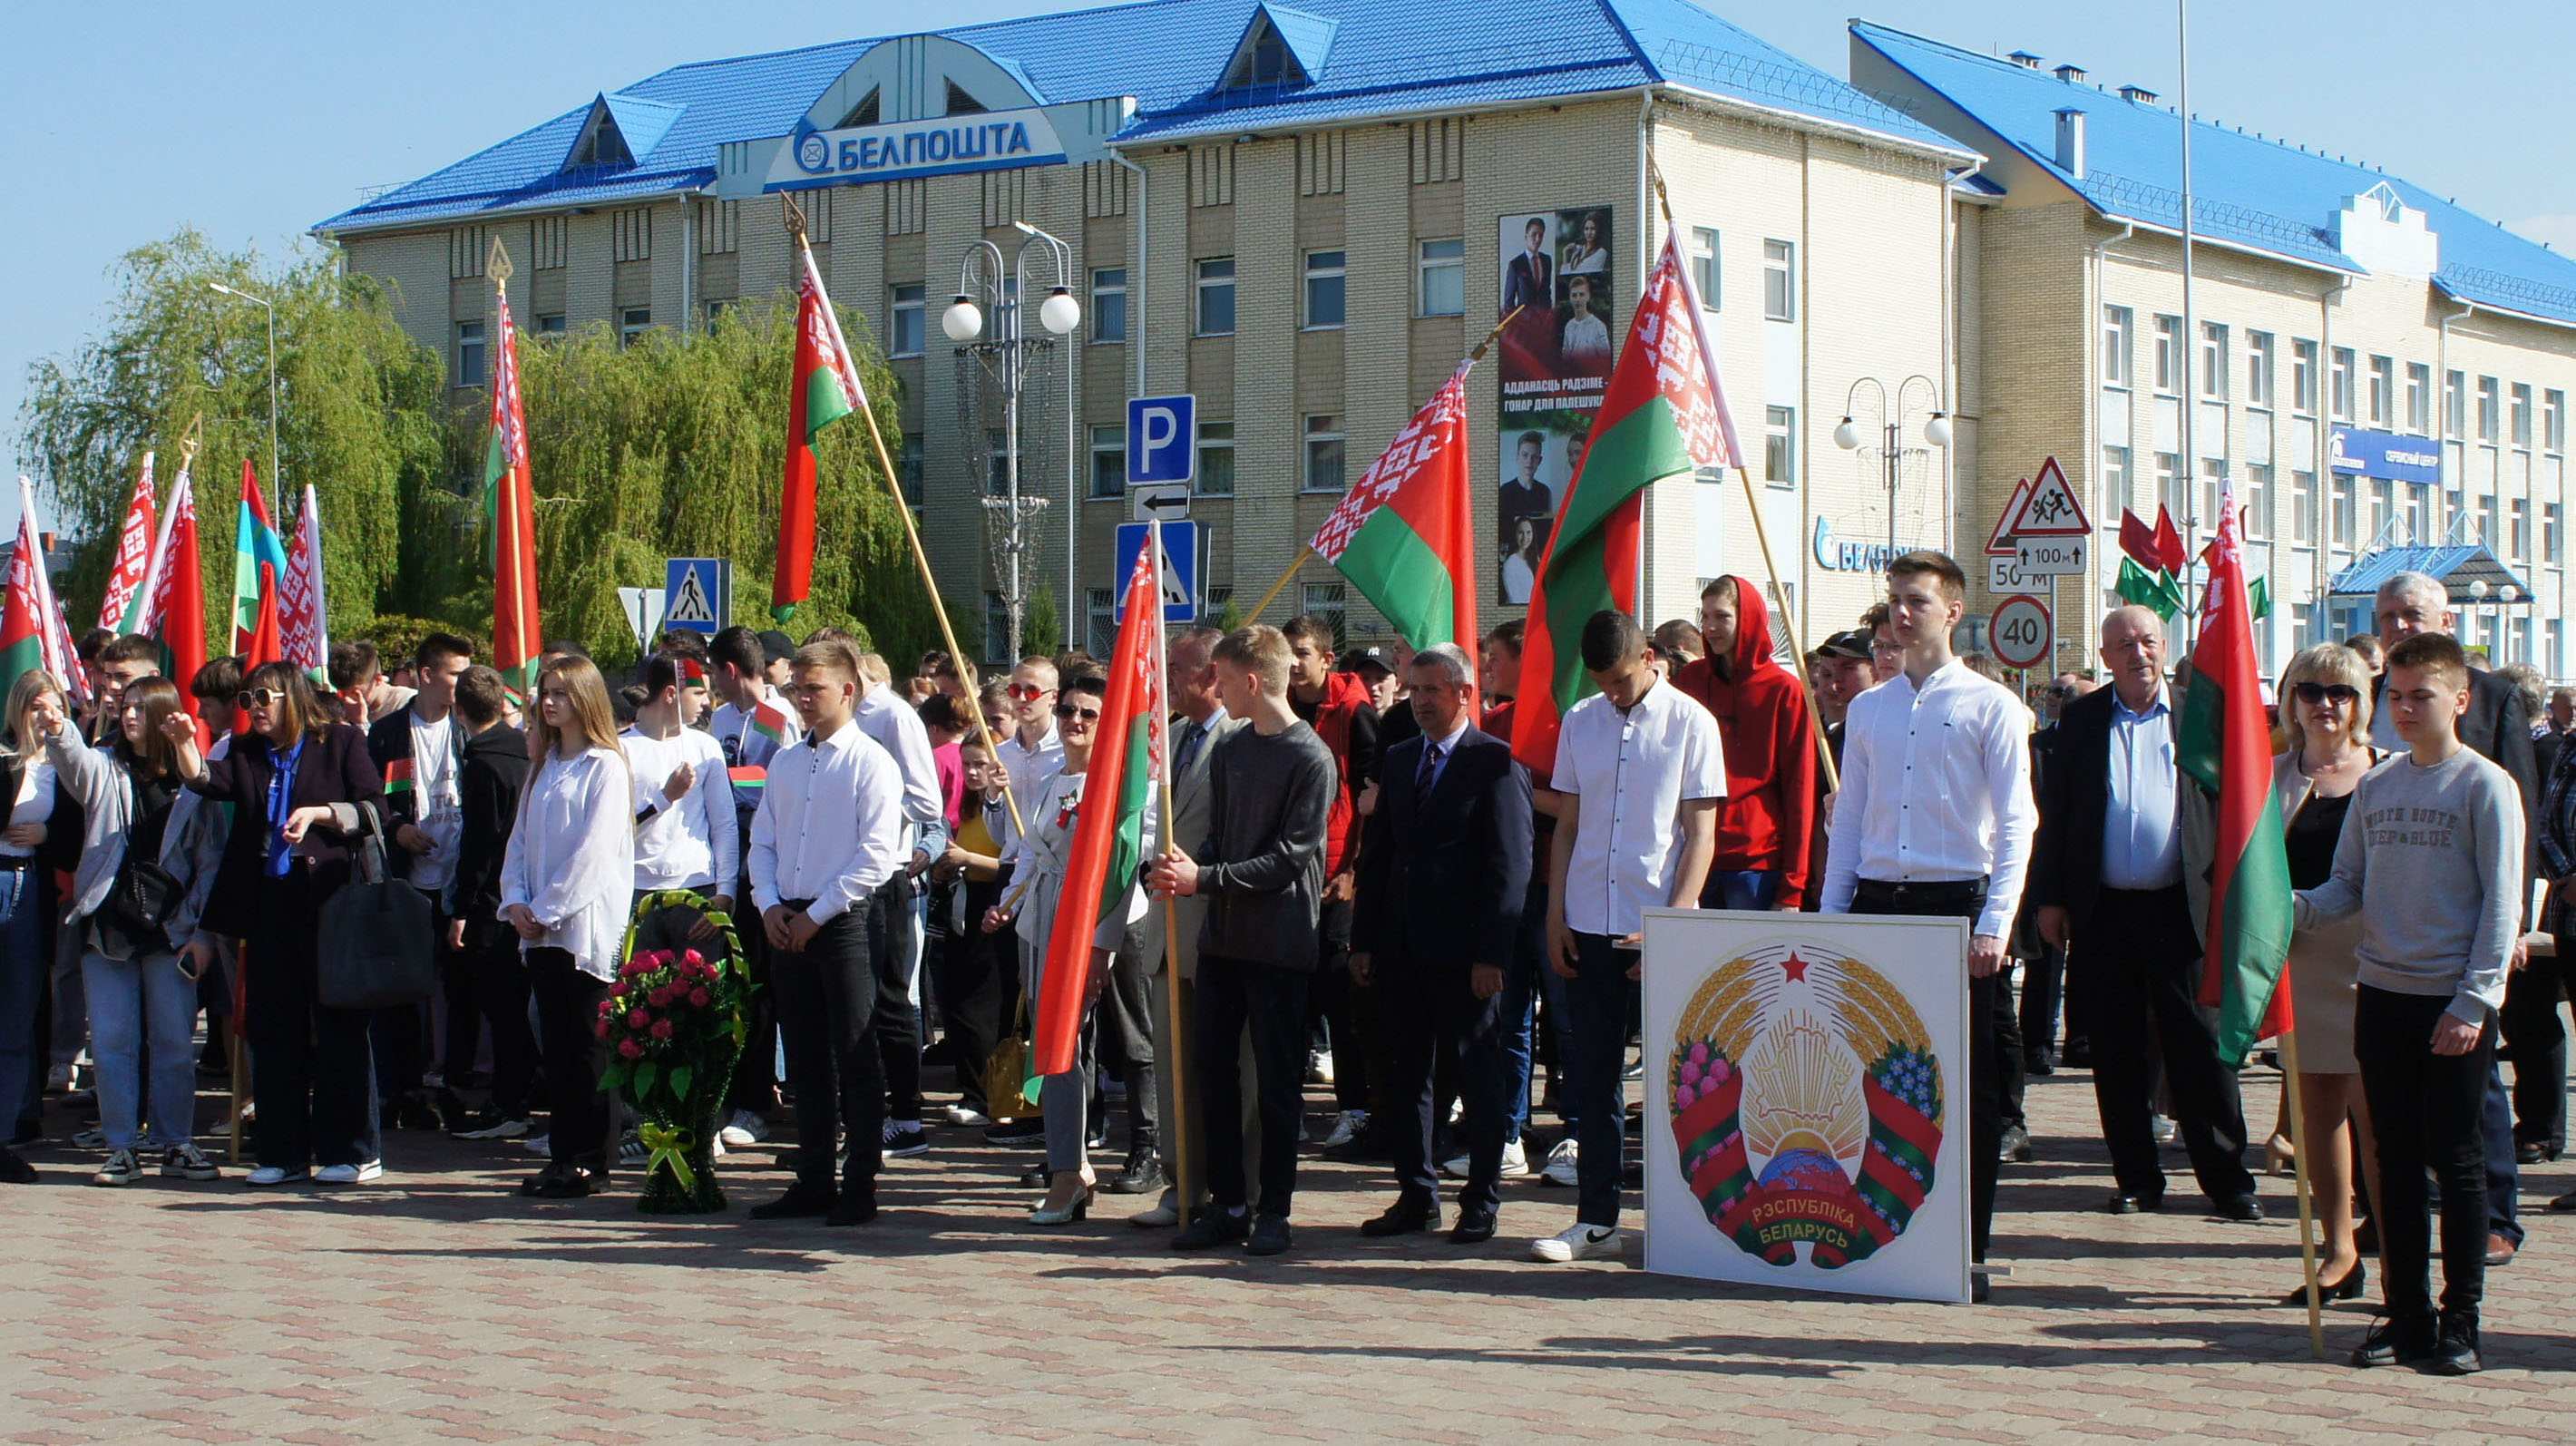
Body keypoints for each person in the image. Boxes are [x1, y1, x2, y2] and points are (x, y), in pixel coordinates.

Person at [2296, 631, 2518, 1376]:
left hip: (2450, 1005)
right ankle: (2407, 1311)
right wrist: (2283, 908)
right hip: (2380, 996)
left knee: (2456, 1166)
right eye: (2395, 694)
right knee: (2389, 1161)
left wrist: (2475, 1000)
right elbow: (2346, 886)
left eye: (2421, 695)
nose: (2405, 708)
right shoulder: (2377, 789)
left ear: (2459, 700)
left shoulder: (2484, 786)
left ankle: (2462, 1317)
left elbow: (2500, 906)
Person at [1821, 552, 2036, 1301]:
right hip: (1881, 904)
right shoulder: (1870, 711)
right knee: (1876, 1078)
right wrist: (1833, 917)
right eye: (1893, 602)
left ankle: (1963, 1247)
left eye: (1916, 601)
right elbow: (1848, 821)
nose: (1900, 615)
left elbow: (2016, 823)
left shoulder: (1992, 706)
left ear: (1951, 611)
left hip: (1956, 908)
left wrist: (1995, 924)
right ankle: (1879, 1230)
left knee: (1964, 1084)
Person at [2032, 606, 2259, 1220]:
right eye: (2125, 644)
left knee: (2201, 1049)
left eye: (2149, 641)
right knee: (2116, 1050)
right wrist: (2050, 897)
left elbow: (2234, 806)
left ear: (2165, 647)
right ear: (2105, 657)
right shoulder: (2080, 721)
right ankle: (2137, 1176)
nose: (2139, 653)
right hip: (2103, 911)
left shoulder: (2198, 717)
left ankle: (2226, 1179)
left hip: (2181, 908)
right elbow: (2058, 818)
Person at [1531, 611, 1724, 1264]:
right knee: (1594, 1077)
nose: (1611, 693)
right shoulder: (1582, 720)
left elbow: (1701, 833)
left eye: (1619, 680)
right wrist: (1556, 915)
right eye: (1601, 682)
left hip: (1658, 925)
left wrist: (1674, 918)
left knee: (1683, 1081)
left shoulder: (1692, 723)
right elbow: (1566, 826)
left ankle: (1688, 1223)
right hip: (1588, 920)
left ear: (1648, 658)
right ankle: (1597, 1218)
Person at [1151, 625, 1336, 1256]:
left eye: (1224, 681)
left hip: (1279, 945)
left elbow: (1291, 858)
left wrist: (1204, 877)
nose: (1216, 690)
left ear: (1252, 683)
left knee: (1279, 1082)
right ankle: (1227, 1203)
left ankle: (1274, 1209)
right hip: (1221, 943)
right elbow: (1221, 839)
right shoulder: (1231, 753)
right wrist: (1187, 865)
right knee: (1213, 1075)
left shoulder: (1311, 757)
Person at [2368, 571, 2533, 1269]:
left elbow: (2514, 816)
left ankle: (2495, 1215)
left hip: (2467, 947)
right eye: (2389, 617)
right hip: (2383, 944)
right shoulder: (2371, 696)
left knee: (2476, 1101)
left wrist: (2517, 927)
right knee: (2398, 1129)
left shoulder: (2493, 702)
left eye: (2413, 615)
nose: (2401, 626)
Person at [168, 661, 386, 1187]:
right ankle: (283, 1152)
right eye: (247, 700)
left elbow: (374, 808)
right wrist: (182, 742)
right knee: (273, 1029)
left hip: (327, 902)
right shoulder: (245, 752)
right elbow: (204, 779)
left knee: (337, 1027)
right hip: (267, 906)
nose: (255, 708)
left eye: (264, 697)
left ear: (291, 696)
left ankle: (352, 1149)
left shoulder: (339, 741)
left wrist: (320, 815)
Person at [1351, 644, 1532, 1242]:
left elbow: (1509, 868)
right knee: (1406, 1078)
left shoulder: (1497, 763)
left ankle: (1480, 1200)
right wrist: (1364, 940)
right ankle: (1416, 1195)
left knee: (1478, 1078)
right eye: (1413, 689)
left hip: (1466, 955)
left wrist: (1492, 955)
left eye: (1432, 690)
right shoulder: (1400, 759)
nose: (1420, 701)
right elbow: (1379, 857)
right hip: (1402, 949)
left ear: (1463, 694)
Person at [982, 669, 1152, 1225]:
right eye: (1068, 712)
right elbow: (1032, 851)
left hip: (1099, 925)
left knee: (1120, 1043)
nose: (1075, 722)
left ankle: (1129, 1153)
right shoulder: (1055, 780)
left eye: (1088, 714)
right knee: (1056, 1048)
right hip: (1044, 919)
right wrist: (1008, 903)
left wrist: (1100, 944)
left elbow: (1123, 867)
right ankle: (1069, 1164)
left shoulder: (1122, 786)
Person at [747, 642, 906, 1226]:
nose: (803, 700)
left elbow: (876, 857)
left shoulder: (871, 762)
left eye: (814, 689)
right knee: (807, 1060)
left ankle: (860, 1182)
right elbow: (763, 840)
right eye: (796, 689)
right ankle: (813, 1177)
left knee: (856, 1053)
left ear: (848, 691)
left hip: (842, 922)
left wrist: (816, 915)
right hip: (788, 918)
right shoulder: (787, 763)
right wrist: (768, 906)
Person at [44, 676, 227, 1185]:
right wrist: (60, 731)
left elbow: (210, 864)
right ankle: (120, 1145)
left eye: (142, 709)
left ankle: (176, 1142)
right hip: (109, 924)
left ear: (167, 716)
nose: (129, 716)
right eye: (126, 707)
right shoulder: (105, 765)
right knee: (111, 1041)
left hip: (173, 929)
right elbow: (75, 768)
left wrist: (202, 935)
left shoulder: (194, 785)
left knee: (173, 1042)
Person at [2269, 642, 2386, 1303]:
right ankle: (2339, 1250)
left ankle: (2392, 1247)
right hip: (2302, 961)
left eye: (2339, 693)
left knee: (2377, 1116)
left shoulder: (2386, 774)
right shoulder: (2271, 774)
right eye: (2310, 691)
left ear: (2361, 704)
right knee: (2316, 1114)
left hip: (2372, 962)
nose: (2324, 705)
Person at [497, 657, 634, 1198]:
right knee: (555, 1046)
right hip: (539, 930)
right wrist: (515, 903)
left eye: (560, 693)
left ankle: (591, 1158)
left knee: (588, 1046)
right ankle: (562, 1154)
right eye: (544, 694)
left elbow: (594, 854)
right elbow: (520, 843)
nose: (549, 702)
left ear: (585, 699)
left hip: (582, 928)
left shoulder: (605, 766)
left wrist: (548, 909)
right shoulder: (545, 766)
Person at [1129, 626, 1249, 1228]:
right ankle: (1183, 1185)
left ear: (1212, 675)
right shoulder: (1169, 738)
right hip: (1167, 933)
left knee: (1231, 1073)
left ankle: (1238, 1189)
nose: (1166, 681)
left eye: (1177, 670)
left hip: (1221, 933)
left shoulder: (1242, 739)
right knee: (1176, 1068)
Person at [366, 632, 475, 1132]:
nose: (463, 683)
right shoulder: (387, 733)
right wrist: (396, 828)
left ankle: (453, 1082)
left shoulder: (470, 729)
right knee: (403, 988)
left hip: (459, 881)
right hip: (409, 879)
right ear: (427, 674)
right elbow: (370, 797)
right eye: (455, 674)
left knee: (458, 989)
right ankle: (401, 1087)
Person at [1281, 615, 1380, 1155]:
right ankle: (1287, 1106)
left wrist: (1353, 871)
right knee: (1291, 1000)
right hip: (1288, 875)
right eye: (1287, 653)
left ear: (1326, 658)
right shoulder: (1277, 708)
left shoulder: (1354, 712)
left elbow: (1369, 798)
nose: (1294, 663)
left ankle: (1355, 1109)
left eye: (1302, 652)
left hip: (1338, 878)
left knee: (1341, 999)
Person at [707, 624, 800, 1149]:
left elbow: (779, 786)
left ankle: (759, 1098)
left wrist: (728, 781)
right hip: (732, 866)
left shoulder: (777, 718)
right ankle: (733, 1089)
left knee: (765, 986)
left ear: (731, 670)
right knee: (737, 984)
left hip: (770, 866)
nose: (714, 687)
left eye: (715, 675)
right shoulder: (720, 718)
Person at [852, 651, 947, 1162]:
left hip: (888, 877)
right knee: (849, 1006)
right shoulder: (818, 730)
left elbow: (927, 803)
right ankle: (860, 1118)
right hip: (839, 882)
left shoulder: (892, 716)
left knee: (895, 999)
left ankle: (907, 1118)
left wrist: (871, 813)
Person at [1672, 575, 1817, 912]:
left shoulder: (1785, 691)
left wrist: (1792, 888)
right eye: (1704, 617)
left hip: (1755, 865)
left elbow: (1800, 792)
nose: (1710, 627)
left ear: (1748, 617)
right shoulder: (1690, 681)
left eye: (1722, 617)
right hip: (1691, 854)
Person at [444, 667, 541, 1141]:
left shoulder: (482, 763)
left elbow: (479, 845)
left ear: (458, 710)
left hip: (494, 902)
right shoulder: (524, 751)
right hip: (526, 892)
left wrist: (462, 906)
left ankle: (509, 1102)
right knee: (517, 1007)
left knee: (502, 1009)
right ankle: (517, 1094)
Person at [0, 672, 64, 1184]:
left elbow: (80, 832)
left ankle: (7, 1132)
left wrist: (47, 834)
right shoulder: (4, 756)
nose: (45, 716)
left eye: (53, 706)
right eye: (36, 707)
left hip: (30, 886)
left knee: (18, 1020)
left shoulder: (64, 766)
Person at [931, 733, 1012, 1127]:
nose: (973, 773)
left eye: (981, 764)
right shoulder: (967, 805)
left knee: (980, 1007)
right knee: (957, 1003)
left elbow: (1015, 864)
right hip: (963, 903)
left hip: (994, 905)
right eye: (967, 765)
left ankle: (986, 1097)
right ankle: (972, 1089)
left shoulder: (1005, 806)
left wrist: (967, 858)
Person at [622, 653, 737, 914]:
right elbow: (611, 829)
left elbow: (724, 824)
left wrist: (726, 890)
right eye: (698, 693)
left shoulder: (705, 747)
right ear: (671, 694)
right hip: (636, 889)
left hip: (697, 885)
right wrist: (665, 797)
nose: (707, 702)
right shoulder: (621, 749)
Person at [997, 655, 1066, 821]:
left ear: (1054, 697)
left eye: (1032, 691)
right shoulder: (1001, 754)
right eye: (1015, 690)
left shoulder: (1067, 750)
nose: (1021, 698)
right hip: (1014, 847)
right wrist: (992, 798)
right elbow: (999, 833)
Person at [328, 640, 416, 728]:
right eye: (342, 693)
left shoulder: (408, 704)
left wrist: (361, 723)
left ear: (378, 679)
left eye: (355, 693)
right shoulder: (343, 709)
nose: (348, 699)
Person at [1498, 432, 1554, 554]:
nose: (1529, 461)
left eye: (1534, 457)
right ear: (1517, 457)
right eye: (1525, 455)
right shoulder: (1505, 492)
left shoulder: (1545, 493)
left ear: (1540, 460)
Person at [1503, 216, 1553, 315]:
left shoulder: (1547, 260)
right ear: (1526, 237)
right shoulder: (1516, 264)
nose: (1537, 239)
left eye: (1541, 235)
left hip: (1544, 322)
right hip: (1525, 323)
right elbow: (1509, 302)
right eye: (1534, 235)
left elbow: (1547, 291)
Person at [1559, 274, 1610, 369]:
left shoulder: (1598, 326)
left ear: (1588, 296)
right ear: (1570, 298)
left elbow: (1606, 360)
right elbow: (1565, 360)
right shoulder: (1569, 327)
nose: (1578, 299)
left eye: (1581, 295)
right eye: (1574, 295)